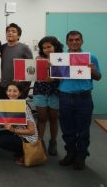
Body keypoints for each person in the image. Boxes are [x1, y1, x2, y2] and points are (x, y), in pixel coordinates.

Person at [58, 31, 101, 170]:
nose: (74, 42)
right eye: (71, 40)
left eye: (77, 40)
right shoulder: (61, 58)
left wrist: (92, 70)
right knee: (67, 129)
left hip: (83, 98)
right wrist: (50, 69)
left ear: (82, 41)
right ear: (67, 42)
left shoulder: (90, 57)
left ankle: (81, 157)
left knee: (83, 131)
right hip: (64, 98)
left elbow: (98, 77)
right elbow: (54, 78)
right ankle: (71, 154)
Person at [0, 83, 38, 165]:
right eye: (9, 91)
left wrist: (13, 130)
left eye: (15, 91)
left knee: (0, 141)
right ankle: (19, 150)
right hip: (17, 133)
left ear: (20, 93)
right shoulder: (8, 104)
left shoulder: (23, 106)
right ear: (6, 92)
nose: (12, 93)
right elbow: (3, 124)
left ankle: (24, 152)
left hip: (27, 138)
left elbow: (31, 131)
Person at [33, 36, 63, 156]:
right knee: (41, 118)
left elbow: (65, 74)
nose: (46, 49)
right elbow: (32, 74)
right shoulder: (38, 58)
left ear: (55, 46)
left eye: (49, 47)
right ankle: (40, 142)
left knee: (53, 119)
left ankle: (53, 142)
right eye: (44, 48)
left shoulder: (62, 58)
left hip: (55, 91)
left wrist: (54, 74)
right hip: (40, 90)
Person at [0, 23, 33, 98]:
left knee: (18, 109)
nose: (10, 33)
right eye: (8, 31)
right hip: (5, 85)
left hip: (20, 86)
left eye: (13, 31)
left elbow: (31, 69)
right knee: (6, 108)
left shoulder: (25, 48)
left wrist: (26, 85)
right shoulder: (2, 47)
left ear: (18, 36)